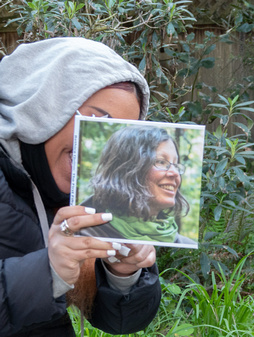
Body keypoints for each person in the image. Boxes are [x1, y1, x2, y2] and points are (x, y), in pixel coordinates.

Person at [0, 37, 162, 336]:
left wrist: (123, 274)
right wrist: (48, 271)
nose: (106, 141)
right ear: (42, 106)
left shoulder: (89, 186)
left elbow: (122, 322)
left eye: (122, 133)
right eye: (95, 119)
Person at [78, 125, 195, 245]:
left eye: (175, 165)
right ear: (127, 168)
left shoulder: (186, 245)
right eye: (161, 161)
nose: (175, 173)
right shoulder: (82, 234)